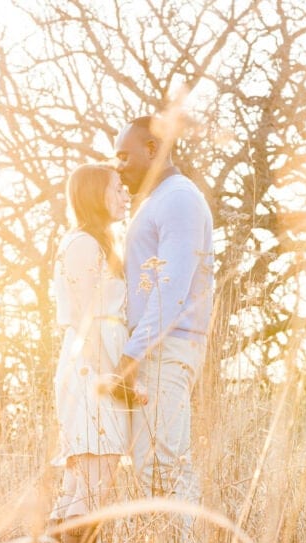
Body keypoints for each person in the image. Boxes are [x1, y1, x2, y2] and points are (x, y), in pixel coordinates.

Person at [110, 116, 214, 508]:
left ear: (153, 149)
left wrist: (132, 354)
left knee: (163, 468)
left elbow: (171, 288)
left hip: (166, 348)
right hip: (157, 347)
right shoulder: (156, 201)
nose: (118, 167)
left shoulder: (179, 198)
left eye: (124, 156)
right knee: (148, 468)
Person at [49, 162, 142, 543]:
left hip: (96, 363)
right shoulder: (84, 244)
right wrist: (110, 375)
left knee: (81, 483)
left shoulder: (97, 243)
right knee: (94, 482)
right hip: (91, 368)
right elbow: (86, 316)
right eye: (117, 188)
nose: (126, 195)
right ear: (93, 195)